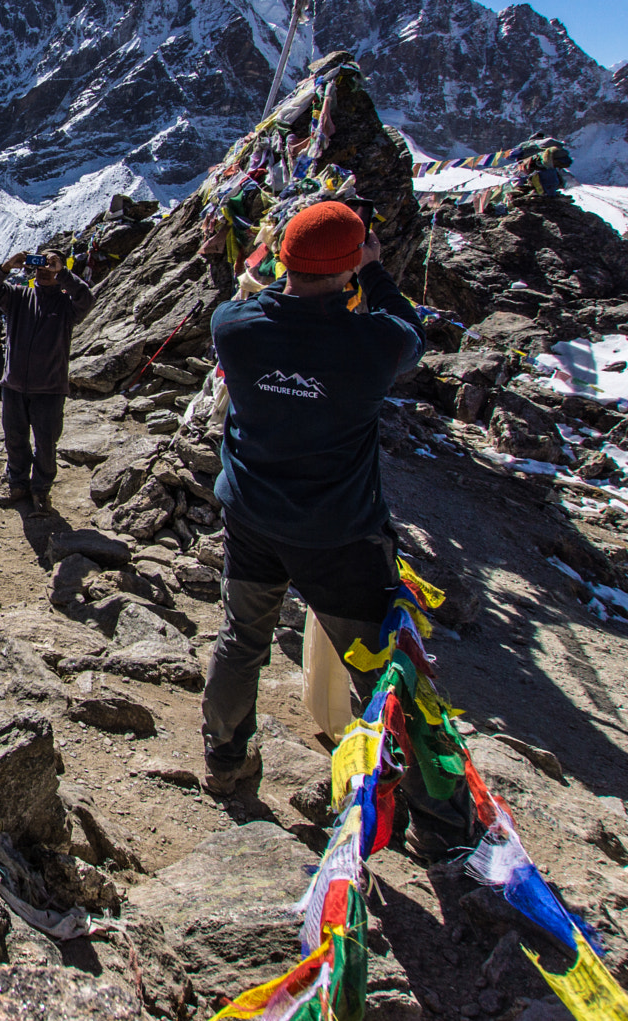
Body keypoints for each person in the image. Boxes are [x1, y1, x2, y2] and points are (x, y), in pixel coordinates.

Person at [197, 200, 475, 857]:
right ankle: (431, 813)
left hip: (253, 517)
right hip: (340, 534)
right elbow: (406, 328)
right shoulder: (369, 345)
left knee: (241, 638)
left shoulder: (233, 326)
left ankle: (225, 759)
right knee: (382, 667)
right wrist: (374, 271)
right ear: (348, 270)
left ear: (284, 259)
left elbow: (260, 298)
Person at [0, 252, 96, 511]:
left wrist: (63, 273)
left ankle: (41, 489)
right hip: (14, 386)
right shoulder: (18, 297)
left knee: (46, 443)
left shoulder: (67, 305)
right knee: (15, 438)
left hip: (50, 389)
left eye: (51, 265)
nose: (44, 269)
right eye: (41, 265)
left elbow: (87, 299)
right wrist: (7, 266)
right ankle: (18, 483)